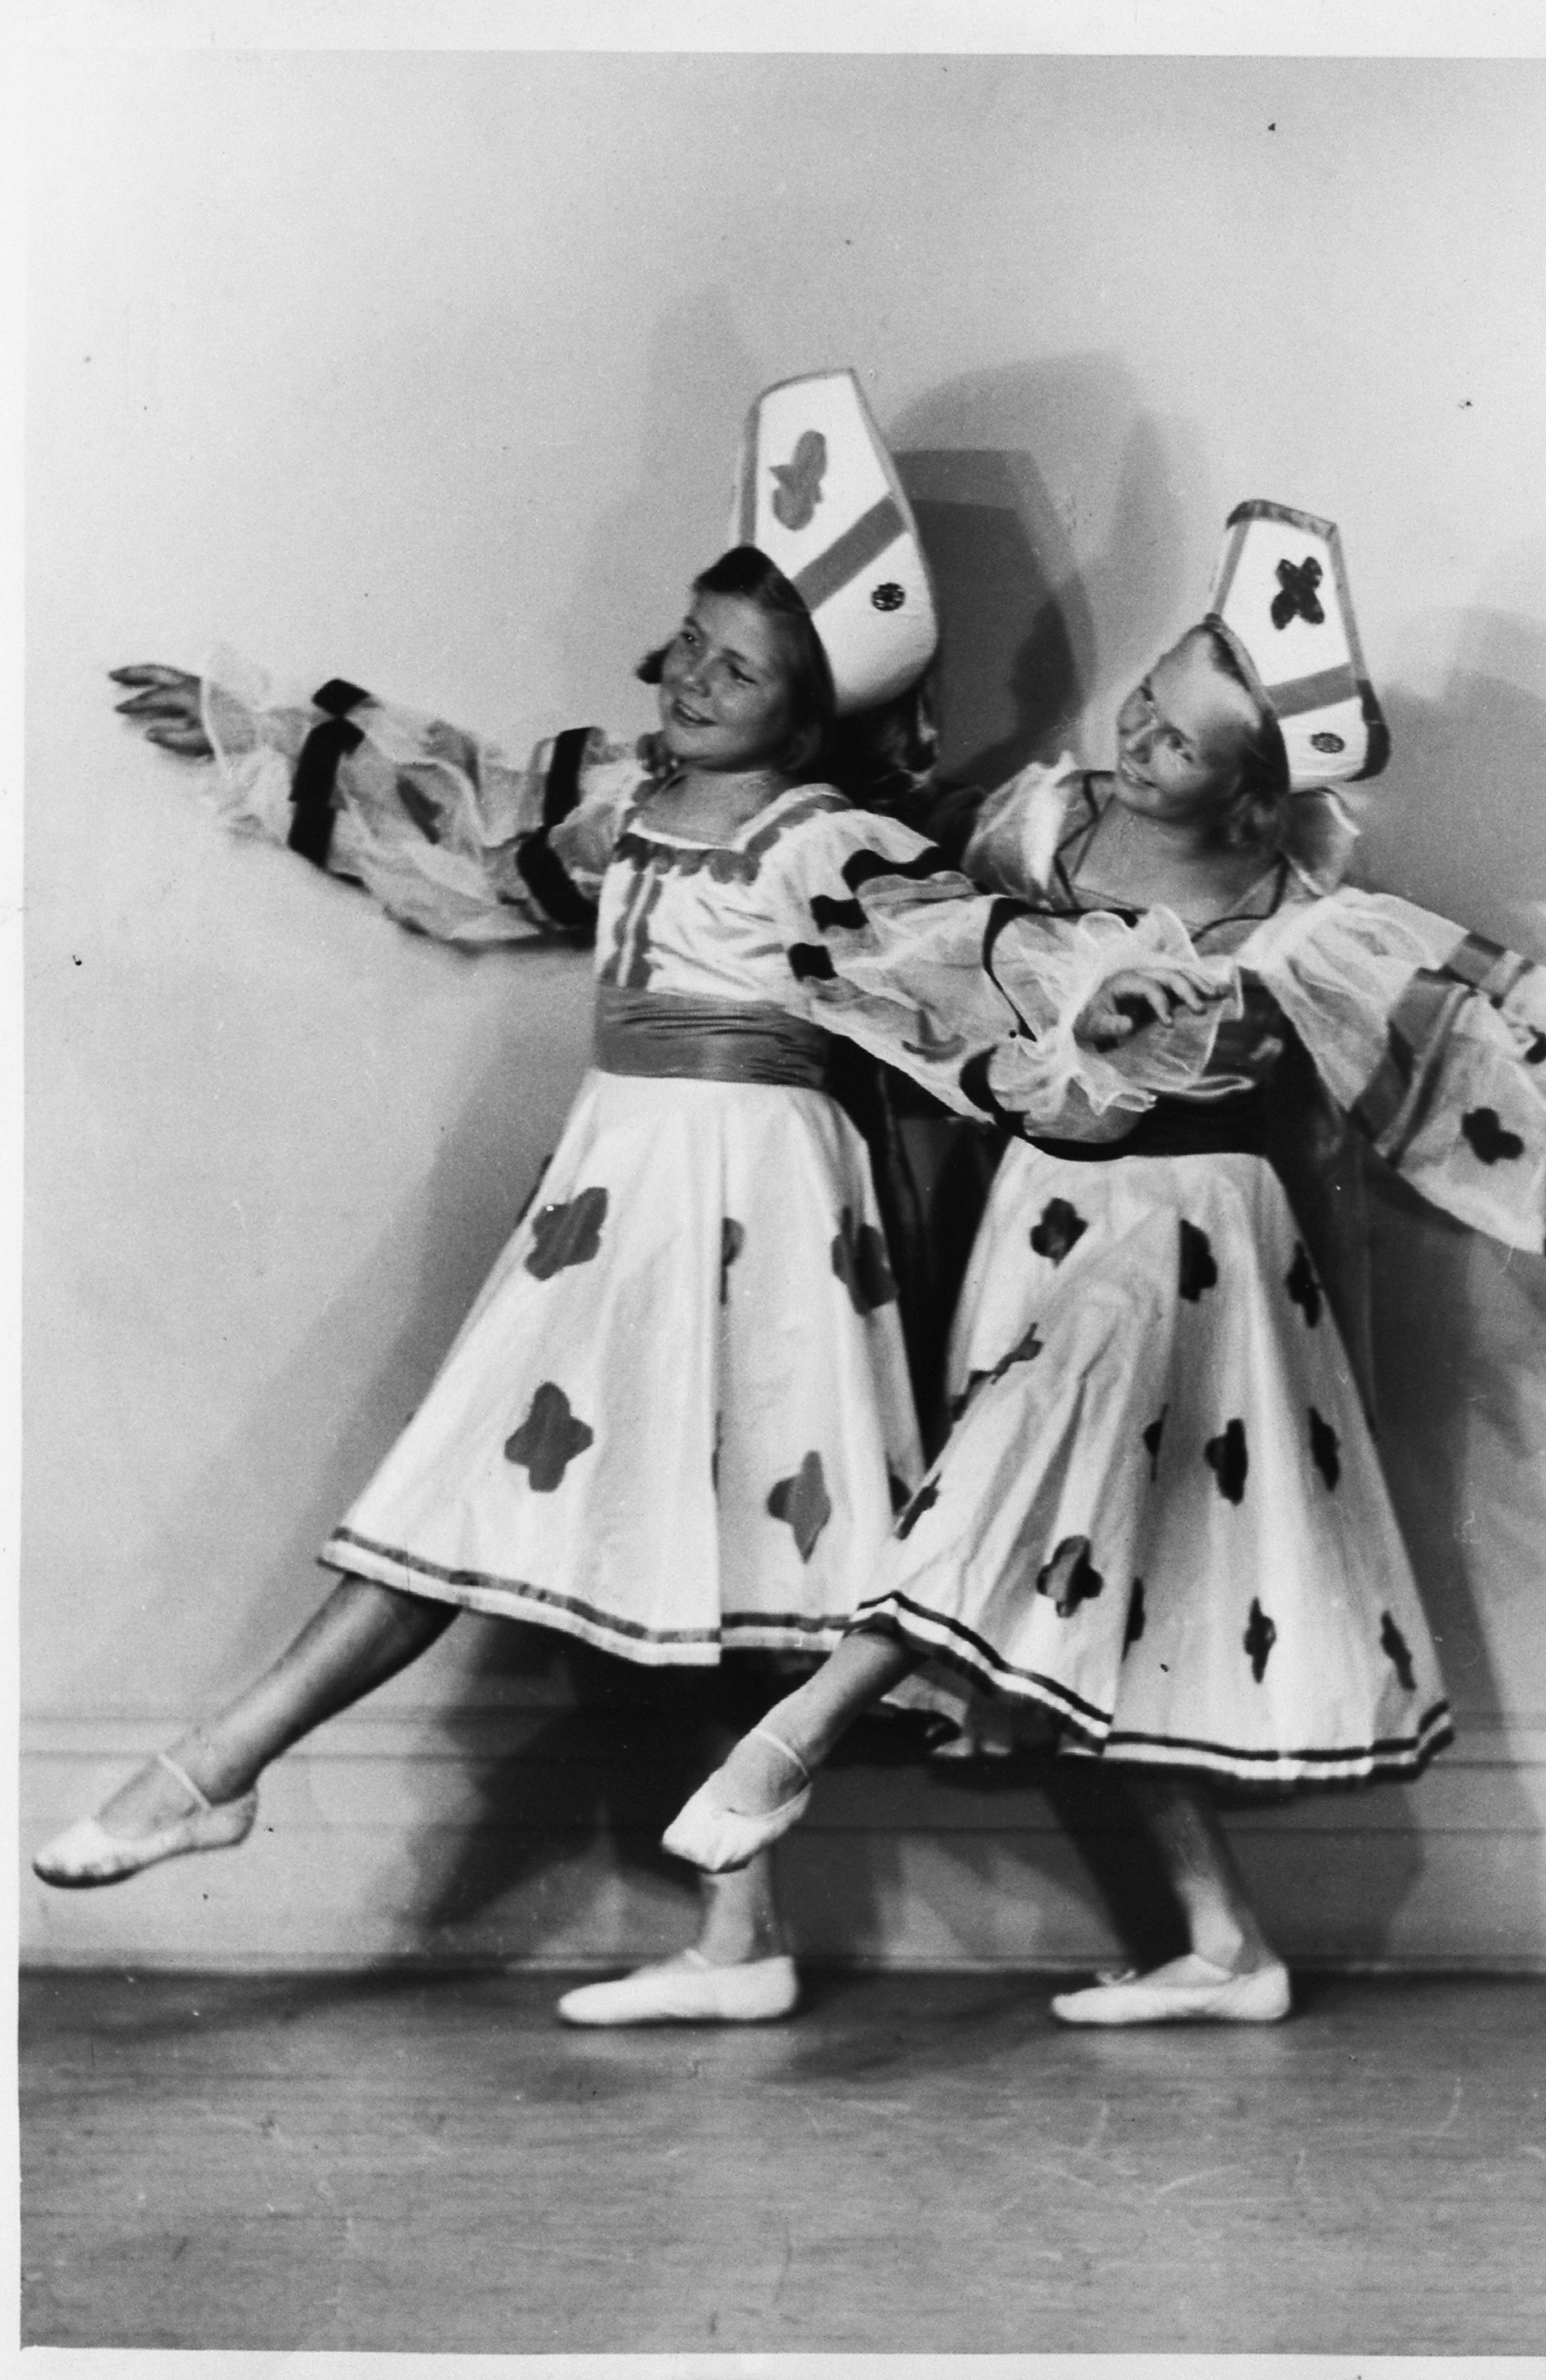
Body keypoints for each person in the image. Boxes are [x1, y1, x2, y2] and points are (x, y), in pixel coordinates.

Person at [31, 371, 1212, 2027]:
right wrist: (259, 731)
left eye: (738, 670)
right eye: (690, 647)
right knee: (516, 1499)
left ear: (807, 710)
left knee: (732, 1538)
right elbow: (472, 807)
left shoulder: (823, 841)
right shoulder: (622, 800)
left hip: (767, 1214)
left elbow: (961, 948)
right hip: (615, 1198)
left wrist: (1100, 997)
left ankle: (255, 1779)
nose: (691, 682)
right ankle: (295, 1789)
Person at [661, 499, 1546, 2026]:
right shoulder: (1038, 830)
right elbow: (915, 921)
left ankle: (795, 1735)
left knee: (1030, 1447)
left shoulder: (1306, 929)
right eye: (1144, 703)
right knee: (1095, 1579)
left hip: (1188, 1241)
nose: (1139, 742)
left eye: (1183, 744)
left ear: (1252, 799)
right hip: (1038, 1217)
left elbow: (1483, 1040)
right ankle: (1225, 1944)